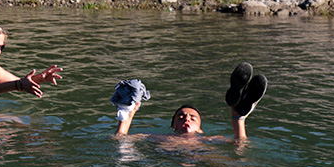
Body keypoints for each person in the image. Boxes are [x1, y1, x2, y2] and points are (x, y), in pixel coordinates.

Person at [111, 62, 268, 140]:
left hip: (205, 165)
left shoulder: (211, 140)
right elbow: (120, 141)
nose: (186, 119)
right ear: (173, 126)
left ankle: (238, 109)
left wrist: (238, 120)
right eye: (181, 117)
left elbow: (240, 149)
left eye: (193, 118)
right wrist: (128, 114)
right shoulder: (159, 138)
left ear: (200, 129)